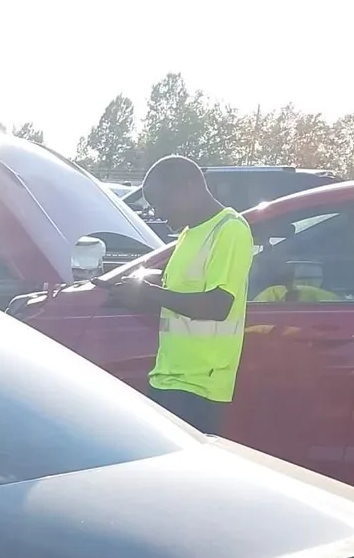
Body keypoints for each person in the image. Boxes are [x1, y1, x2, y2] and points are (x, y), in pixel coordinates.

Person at [101, 156, 253, 433]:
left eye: (161, 202)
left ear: (188, 188)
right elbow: (178, 293)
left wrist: (150, 293)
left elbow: (218, 305)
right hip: (168, 377)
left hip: (201, 385)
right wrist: (136, 289)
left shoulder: (229, 229)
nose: (159, 213)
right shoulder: (188, 234)